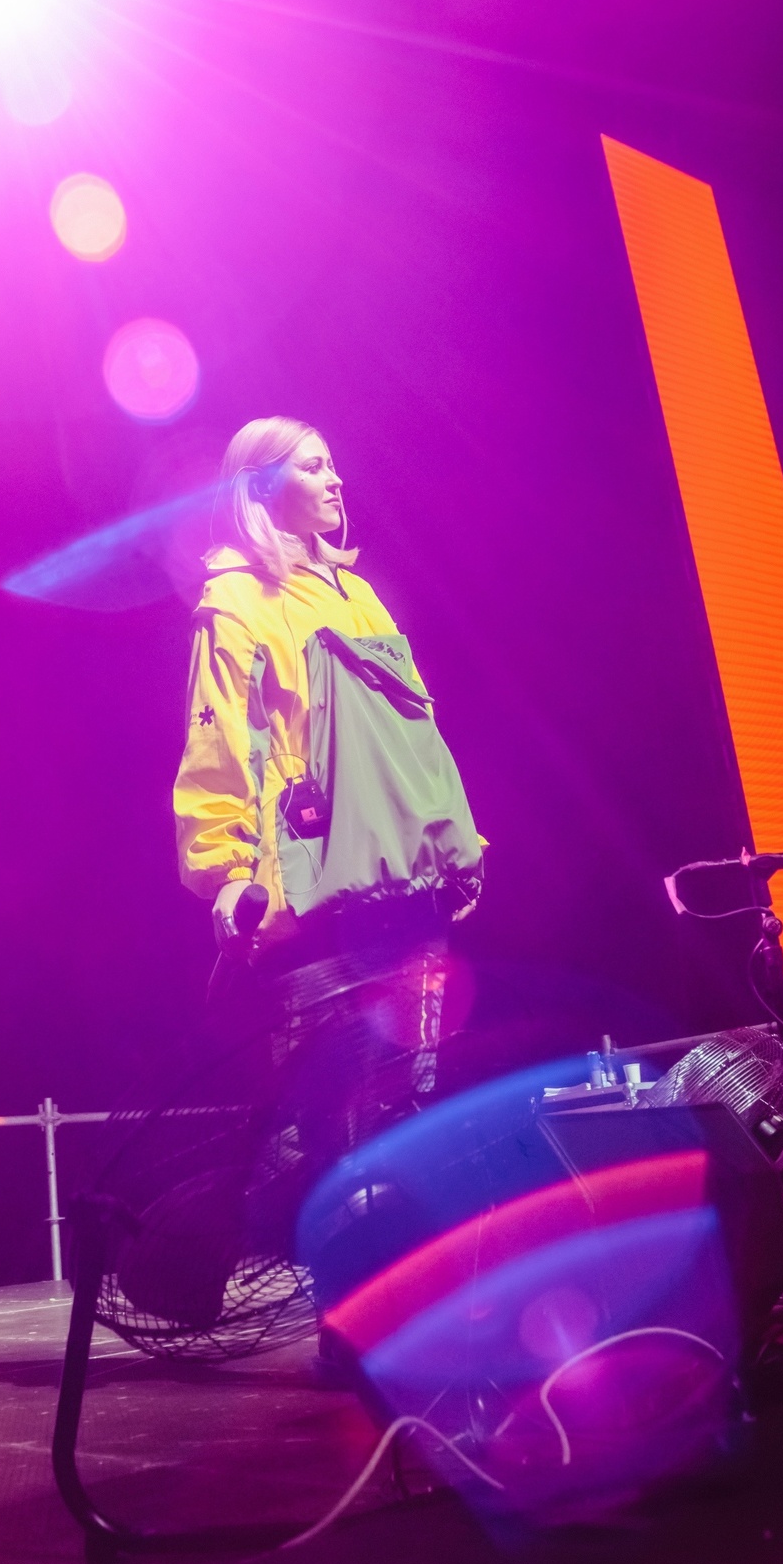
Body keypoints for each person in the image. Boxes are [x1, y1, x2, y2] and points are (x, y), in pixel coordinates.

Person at [173, 416, 485, 1135]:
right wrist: (227, 872)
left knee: (412, 1112)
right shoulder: (234, 603)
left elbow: (412, 734)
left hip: (406, 891)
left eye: (333, 465)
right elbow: (220, 745)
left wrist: (452, 839)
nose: (336, 480)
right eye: (312, 466)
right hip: (311, 900)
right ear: (259, 487)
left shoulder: (357, 596)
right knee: (324, 1126)